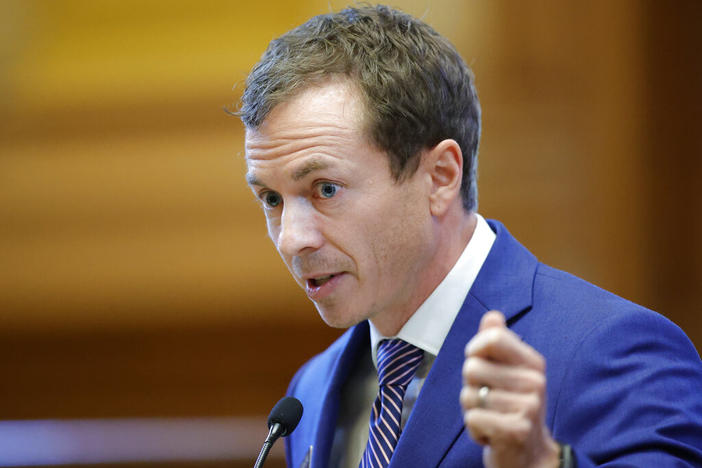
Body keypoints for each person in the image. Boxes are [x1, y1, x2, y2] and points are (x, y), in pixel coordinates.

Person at [238, 5, 702, 468]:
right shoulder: (310, 392)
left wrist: (544, 462)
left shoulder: (612, 350)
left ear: (440, 177)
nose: (291, 239)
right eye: (271, 199)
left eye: (325, 189)